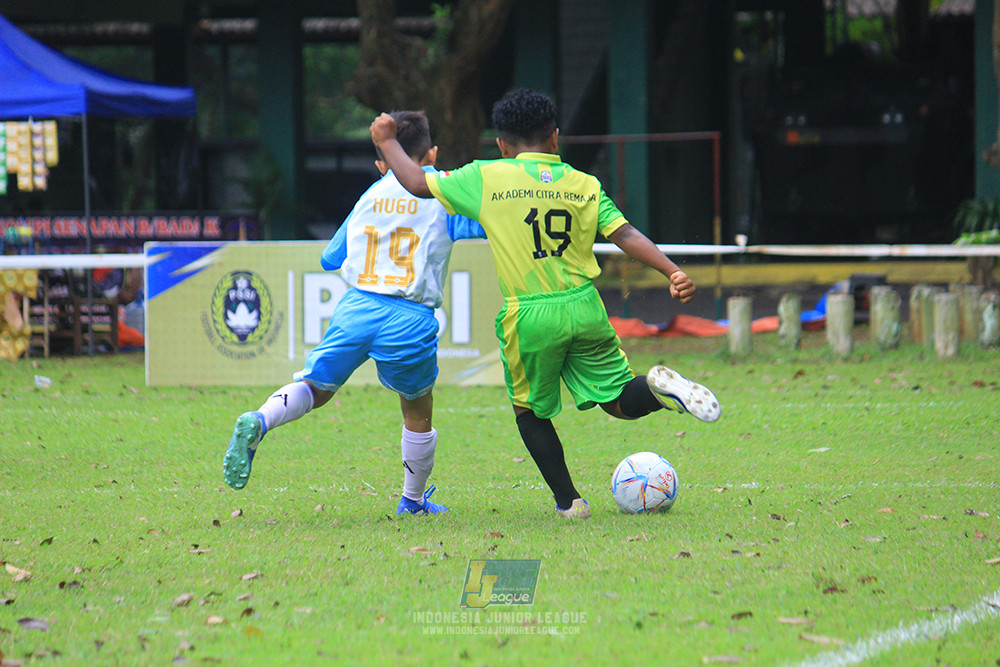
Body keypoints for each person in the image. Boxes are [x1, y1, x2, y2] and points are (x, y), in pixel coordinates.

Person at [370, 88, 721, 519]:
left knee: (528, 411)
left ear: (501, 144)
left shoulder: (486, 176)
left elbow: (416, 181)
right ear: (555, 139)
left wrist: (387, 140)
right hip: (585, 306)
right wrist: (672, 271)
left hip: (532, 314)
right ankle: (656, 386)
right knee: (616, 400)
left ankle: (569, 503)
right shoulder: (583, 184)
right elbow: (625, 234)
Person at [223, 111, 485, 515]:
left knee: (315, 387)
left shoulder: (368, 197)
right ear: (431, 154)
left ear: (383, 163)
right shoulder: (445, 197)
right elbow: (482, 227)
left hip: (357, 307)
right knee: (417, 408)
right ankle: (412, 502)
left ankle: (260, 420)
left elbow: (331, 257)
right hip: (408, 314)